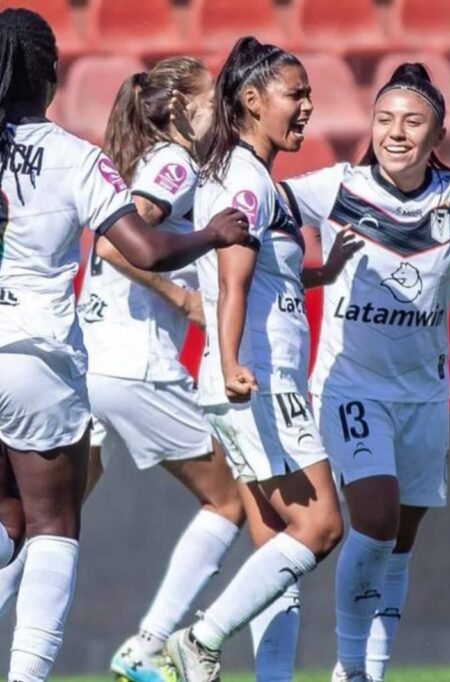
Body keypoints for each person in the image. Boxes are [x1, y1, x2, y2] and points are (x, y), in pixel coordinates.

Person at [0, 9, 254, 681]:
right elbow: (133, 241)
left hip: (42, 352)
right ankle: (65, 666)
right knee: (55, 522)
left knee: (11, 523)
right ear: (51, 75)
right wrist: (211, 240)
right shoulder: (86, 158)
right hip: (44, 355)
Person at [280, 62, 450, 681]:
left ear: (437, 135)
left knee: (400, 545)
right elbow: (261, 206)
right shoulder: (337, 187)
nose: (396, 132)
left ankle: (370, 672)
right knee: (375, 519)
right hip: (350, 385)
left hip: (424, 396)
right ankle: (349, 668)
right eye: (384, 119)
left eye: (413, 122)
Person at [163, 36, 360, 682]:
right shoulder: (246, 179)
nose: (308, 106)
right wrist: (228, 362)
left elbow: (263, 275)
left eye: (309, 94)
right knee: (322, 527)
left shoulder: (248, 176)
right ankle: (201, 637)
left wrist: (320, 271)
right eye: (295, 94)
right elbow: (234, 277)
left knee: (277, 546)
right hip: (259, 384)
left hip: (249, 380)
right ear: (252, 100)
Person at [75, 57, 245, 682]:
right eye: (209, 102)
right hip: (134, 361)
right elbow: (119, 243)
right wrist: (185, 300)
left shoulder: (140, 163)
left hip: (90, 356)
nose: (219, 113)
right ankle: (147, 649)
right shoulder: (171, 164)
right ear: (178, 109)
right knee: (230, 501)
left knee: (48, 522)